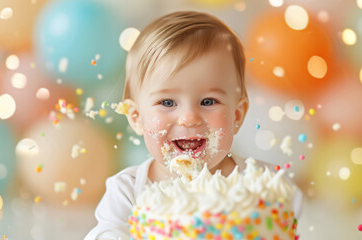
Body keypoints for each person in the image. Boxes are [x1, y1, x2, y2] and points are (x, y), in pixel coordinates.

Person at [85, 10, 302, 240]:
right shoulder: (127, 191)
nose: (189, 118)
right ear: (137, 117)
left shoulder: (260, 183)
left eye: (208, 101)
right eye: (167, 102)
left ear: (237, 116)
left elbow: (286, 221)